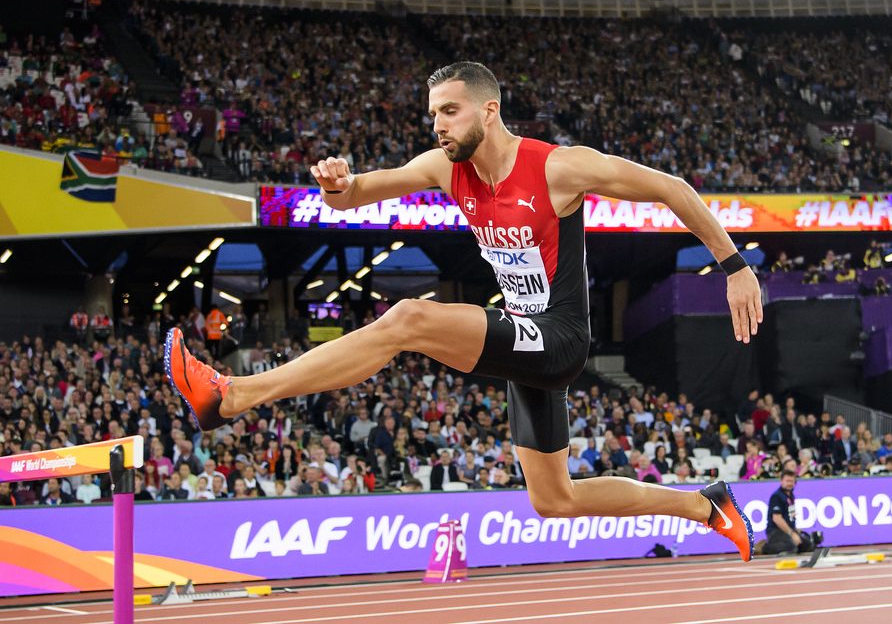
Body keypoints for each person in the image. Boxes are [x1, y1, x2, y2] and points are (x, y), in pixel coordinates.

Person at [166, 61, 760, 560]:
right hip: (522, 340)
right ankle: (706, 504)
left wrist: (734, 269)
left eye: (449, 111)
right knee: (555, 501)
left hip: (560, 337)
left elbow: (672, 187)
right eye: (432, 114)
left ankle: (234, 395)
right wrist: (336, 185)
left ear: (489, 111)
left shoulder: (559, 167)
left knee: (407, 319)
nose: (437, 125)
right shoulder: (447, 170)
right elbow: (360, 194)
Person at [760, 470, 814, 555]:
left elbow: (788, 516)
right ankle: (764, 547)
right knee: (791, 547)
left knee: (808, 546)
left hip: (788, 530)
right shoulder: (777, 496)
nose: (790, 483)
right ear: (781, 481)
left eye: (792, 481)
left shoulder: (790, 496)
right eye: (787, 481)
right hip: (775, 531)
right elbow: (777, 518)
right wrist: (791, 533)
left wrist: (795, 529)